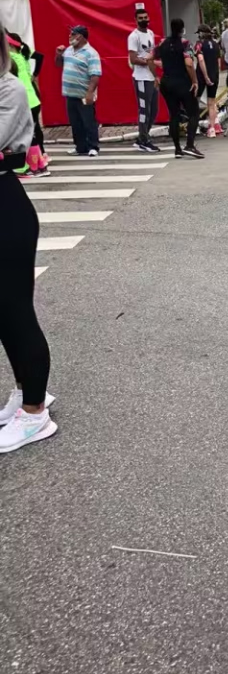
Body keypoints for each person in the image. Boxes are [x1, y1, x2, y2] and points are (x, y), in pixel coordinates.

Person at [0, 26, 56, 453]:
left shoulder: (10, 88)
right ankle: (24, 392)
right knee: (3, 315)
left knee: (16, 311)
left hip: (6, 207)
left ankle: (36, 412)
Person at [154, 19, 205, 160]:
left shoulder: (162, 43)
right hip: (182, 82)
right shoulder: (184, 43)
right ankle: (190, 145)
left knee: (174, 115)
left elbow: (149, 58)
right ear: (182, 29)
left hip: (167, 82)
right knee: (193, 113)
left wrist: (155, 76)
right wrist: (194, 80)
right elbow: (188, 63)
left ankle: (177, 149)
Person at [54, 25, 101, 157]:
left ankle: (93, 146)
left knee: (88, 121)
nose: (70, 36)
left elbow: (95, 75)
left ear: (81, 36)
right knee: (75, 123)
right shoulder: (68, 50)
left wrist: (90, 92)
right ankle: (80, 147)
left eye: (73, 34)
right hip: (70, 94)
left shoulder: (91, 53)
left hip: (83, 94)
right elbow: (58, 64)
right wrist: (58, 55)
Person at [7, 34, 49, 177]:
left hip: (24, 102)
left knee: (25, 135)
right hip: (33, 100)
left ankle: (28, 167)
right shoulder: (21, 55)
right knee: (32, 133)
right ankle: (40, 165)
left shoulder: (10, 58)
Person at [128, 6, 160, 153]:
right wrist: (148, 62)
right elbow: (133, 59)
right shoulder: (133, 36)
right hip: (141, 78)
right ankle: (144, 140)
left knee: (153, 110)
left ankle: (143, 137)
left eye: (145, 17)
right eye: (140, 18)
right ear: (135, 20)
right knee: (144, 110)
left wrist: (155, 75)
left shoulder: (151, 33)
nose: (143, 20)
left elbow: (151, 54)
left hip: (150, 77)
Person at [195, 24, 223, 138]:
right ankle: (212, 128)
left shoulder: (199, 44)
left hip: (201, 75)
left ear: (201, 33)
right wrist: (215, 74)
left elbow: (200, 59)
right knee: (211, 102)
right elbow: (219, 61)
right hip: (214, 75)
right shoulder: (216, 44)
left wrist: (206, 76)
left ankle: (194, 126)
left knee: (195, 101)